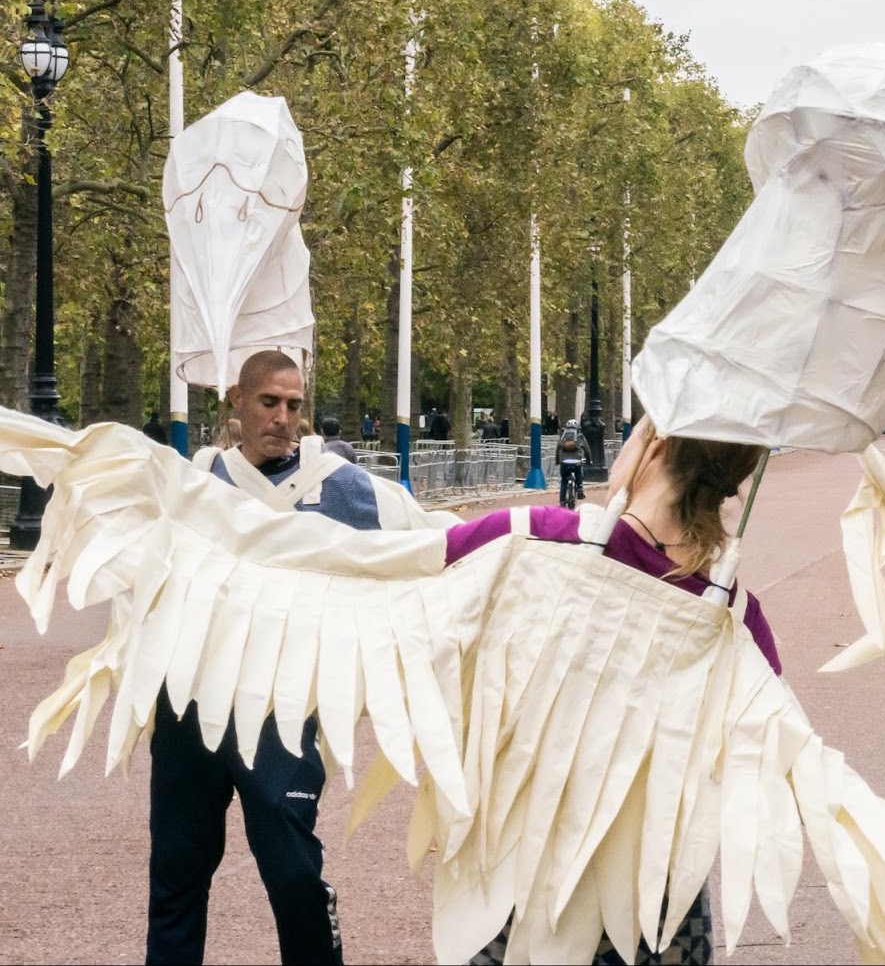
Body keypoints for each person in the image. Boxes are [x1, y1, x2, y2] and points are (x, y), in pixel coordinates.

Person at [147, 350, 438, 966]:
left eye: (295, 405)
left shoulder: (345, 489)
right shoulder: (195, 482)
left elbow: (427, 551)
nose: (283, 418)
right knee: (176, 875)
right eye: (269, 402)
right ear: (236, 401)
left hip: (280, 709)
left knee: (294, 875)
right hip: (189, 707)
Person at [455, 414, 777, 965]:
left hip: (520, 876)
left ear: (655, 446)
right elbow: (757, 759)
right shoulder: (737, 618)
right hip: (656, 898)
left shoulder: (531, 535)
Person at [554, 419, 589, 507]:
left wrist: (557, 461)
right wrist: (589, 460)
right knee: (578, 472)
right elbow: (587, 449)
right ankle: (580, 490)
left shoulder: (563, 437)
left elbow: (558, 449)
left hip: (564, 462)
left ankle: (562, 501)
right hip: (577, 462)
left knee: (564, 482)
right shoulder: (580, 436)